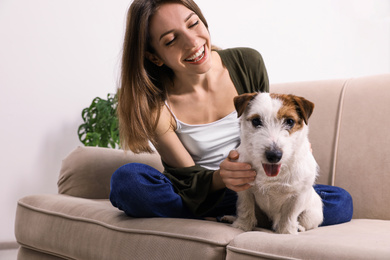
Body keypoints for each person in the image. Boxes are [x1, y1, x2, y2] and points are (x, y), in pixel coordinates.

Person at [110, 0, 353, 226]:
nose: (193, 42)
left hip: (257, 185)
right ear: (154, 57)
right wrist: (223, 177)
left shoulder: (247, 62)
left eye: (193, 23)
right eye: (172, 40)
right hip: (206, 194)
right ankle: (228, 216)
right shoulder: (156, 107)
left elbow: (266, 123)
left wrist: (293, 149)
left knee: (340, 201)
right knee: (128, 181)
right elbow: (188, 179)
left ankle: (251, 215)